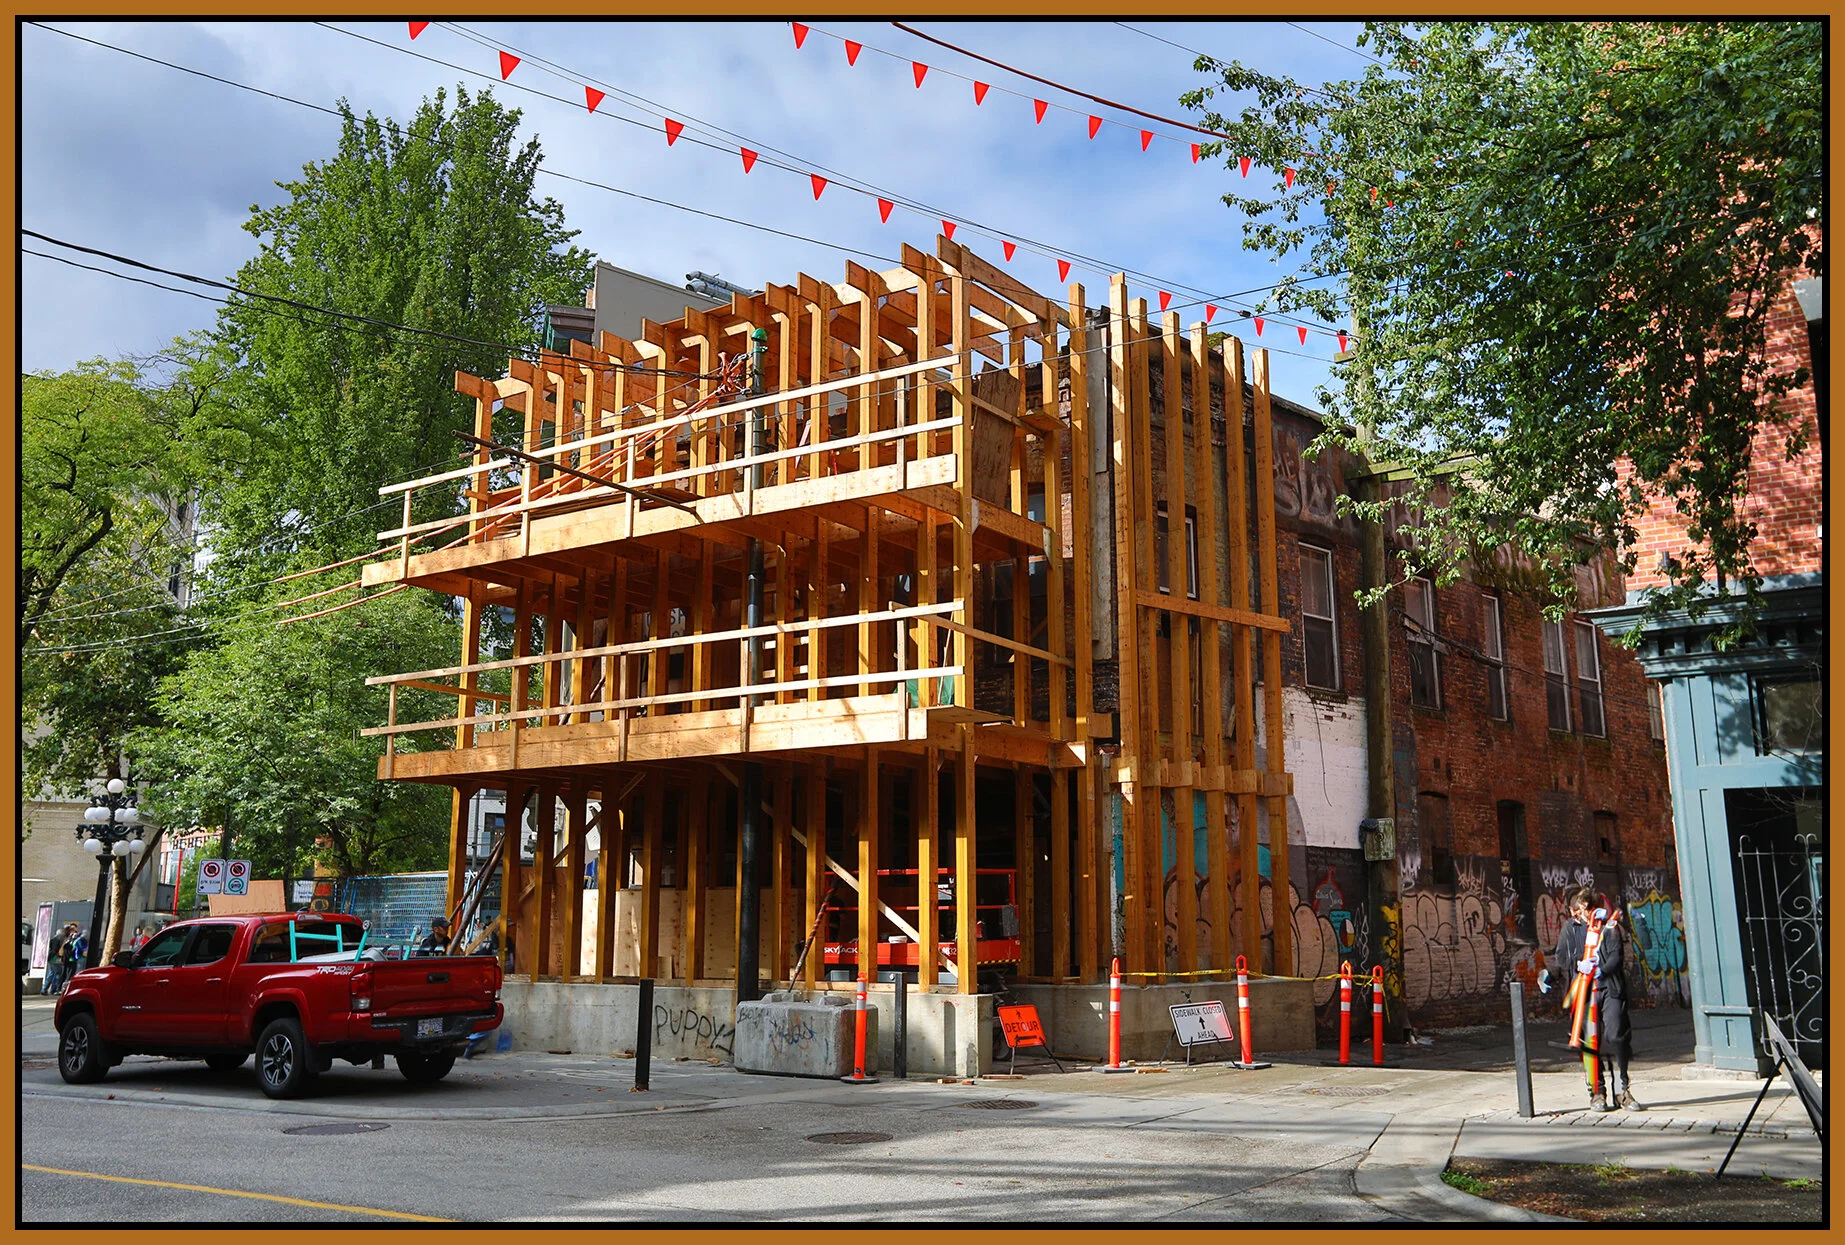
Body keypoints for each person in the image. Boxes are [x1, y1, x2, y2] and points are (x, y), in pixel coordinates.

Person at [1589, 905, 1638, 1111]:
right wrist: (1549, 973)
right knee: (1590, 1044)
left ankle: (1621, 1090)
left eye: (1587, 908)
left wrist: (1602, 970)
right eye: (1580, 909)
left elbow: (1616, 957)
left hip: (1611, 989)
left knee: (1616, 1037)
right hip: (1586, 994)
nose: (1585, 913)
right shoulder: (1572, 929)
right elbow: (1563, 956)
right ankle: (1597, 1092)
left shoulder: (1609, 929)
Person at [39, 926, 69, 996]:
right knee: (57, 974)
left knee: (51, 973)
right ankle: (53, 989)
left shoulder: (53, 939)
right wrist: (60, 957)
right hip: (55, 959)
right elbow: (56, 950)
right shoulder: (58, 939)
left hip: (51, 958)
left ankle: (44, 989)